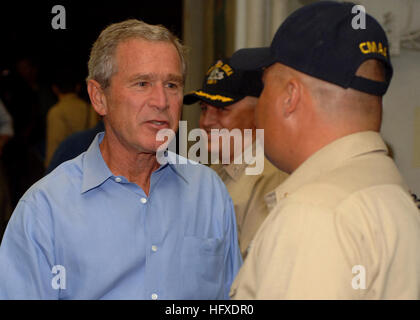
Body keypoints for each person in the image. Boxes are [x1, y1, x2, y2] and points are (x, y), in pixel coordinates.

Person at [0, 19, 241, 299]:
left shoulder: (208, 192)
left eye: (172, 85)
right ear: (98, 97)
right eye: (142, 83)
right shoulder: (45, 210)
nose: (161, 101)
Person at [229, 1, 420, 299]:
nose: (259, 105)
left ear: (290, 96)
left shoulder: (314, 215)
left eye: (265, 87)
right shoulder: (392, 195)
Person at [184, 58, 288, 259]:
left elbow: (253, 275)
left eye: (222, 109)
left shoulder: (268, 180)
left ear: (260, 113)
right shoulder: (216, 170)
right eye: (204, 108)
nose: (206, 121)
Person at [45, 68, 96, 167]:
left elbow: (53, 147)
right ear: (77, 87)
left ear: (55, 89)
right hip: (90, 163)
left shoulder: (56, 112)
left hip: (67, 168)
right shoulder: (90, 108)